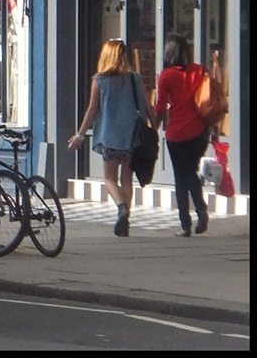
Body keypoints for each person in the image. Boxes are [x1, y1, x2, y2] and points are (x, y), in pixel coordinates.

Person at [67, 38, 157, 237]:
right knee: (127, 178)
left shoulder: (99, 80)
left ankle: (121, 208)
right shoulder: (135, 78)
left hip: (109, 136)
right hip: (132, 136)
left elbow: (91, 111)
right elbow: (149, 107)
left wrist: (80, 135)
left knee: (109, 178)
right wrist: (155, 127)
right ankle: (126, 216)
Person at [154, 32, 213, 237]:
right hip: (199, 132)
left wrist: (154, 126)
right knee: (191, 171)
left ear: (168, 52)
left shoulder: (167, 76)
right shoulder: (200, 70)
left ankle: (186, 224)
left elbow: (160, 108)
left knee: (181, 177)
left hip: (177, 133)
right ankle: (201, 211)